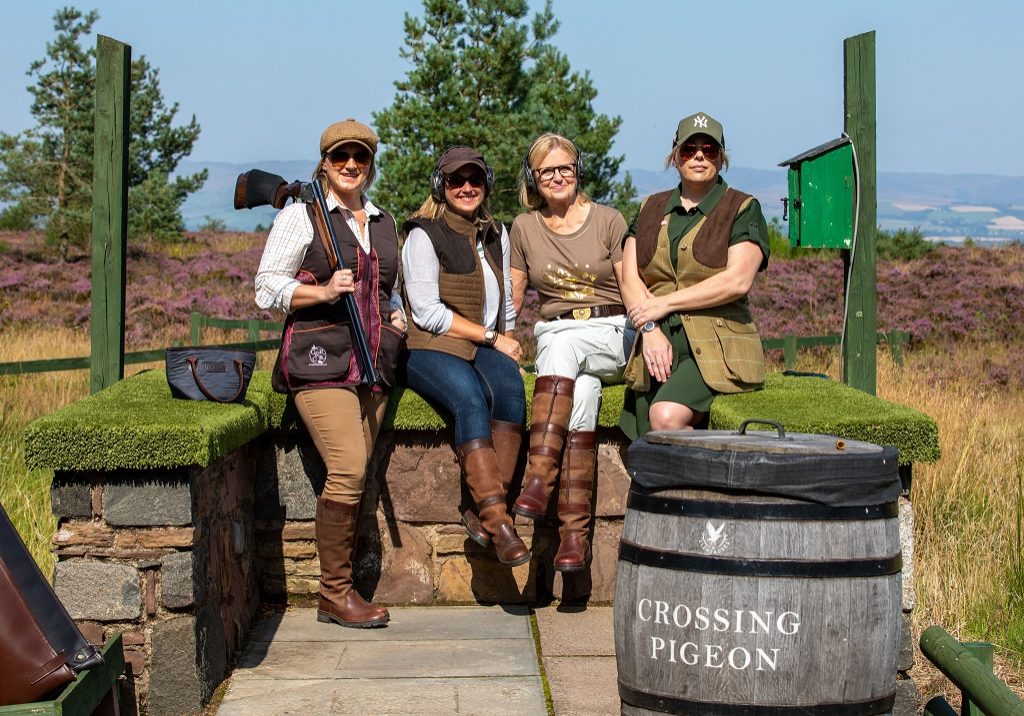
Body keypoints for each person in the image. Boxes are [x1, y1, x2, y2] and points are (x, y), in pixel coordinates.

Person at [255, 118, 405, 628]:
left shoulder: (384, 222)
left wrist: (399, 317)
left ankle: (343, 592)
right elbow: (265, 287)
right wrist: (322, 292)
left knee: (357, 472)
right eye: (340, 156)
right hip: (318, 362)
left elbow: (391, 290)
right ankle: (334, 594)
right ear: (324, 162)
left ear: (370, 164)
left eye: (359, 157)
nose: (350, 165)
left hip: (374, 364)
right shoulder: (301, 217)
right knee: (348, 466)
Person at [401, 145, 531, 567]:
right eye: (457, 180)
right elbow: (426, 312)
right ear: (441, 186)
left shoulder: (496, 232)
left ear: (486, 184)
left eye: (475, 179)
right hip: (430, 345)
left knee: (511, 391)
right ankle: (501, 523)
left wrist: (507, 342)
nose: (467, 187)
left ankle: (481, 512)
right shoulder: (424, 233)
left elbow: (507, 302)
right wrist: (493, 338)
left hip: (482, 342)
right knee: (469, 399)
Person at [508, 133, 630, 572]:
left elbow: (631, 286)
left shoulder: (609, 220)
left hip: (613, 332)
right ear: (533, 178)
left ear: (578, 172)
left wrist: (649, 329)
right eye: (546, 171)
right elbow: (514, 297)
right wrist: (498, 336)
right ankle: (573, 538)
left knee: (560, 341)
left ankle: (538, 477)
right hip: (565, 348)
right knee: (582, 393)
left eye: (565, 168)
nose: (557, 177)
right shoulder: (523, 228)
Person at [619, 112, 769, 437]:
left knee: (665, 416)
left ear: (721, 157)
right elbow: (629, 277)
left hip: (717, 348)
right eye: (689, 149)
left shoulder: (743, 208)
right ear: (675, 156)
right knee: (643, 436)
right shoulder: (649, 207)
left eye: (709, 149)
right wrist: (649, 328)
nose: (699, 156)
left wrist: (664, 304)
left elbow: (737, 280)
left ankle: (697, 486)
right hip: (656, 340)